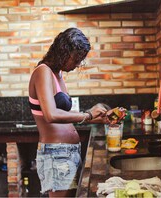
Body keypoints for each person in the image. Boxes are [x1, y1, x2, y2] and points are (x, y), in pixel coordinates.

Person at [28, 28, 109, 197]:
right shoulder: (43, 71)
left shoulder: (57, 74)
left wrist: (97, 119)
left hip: (68, 152)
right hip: (56, 154)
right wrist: (88, 115)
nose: (78, 64)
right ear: (64, 51)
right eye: (77, 58)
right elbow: (50, 115)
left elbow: (65, 116)